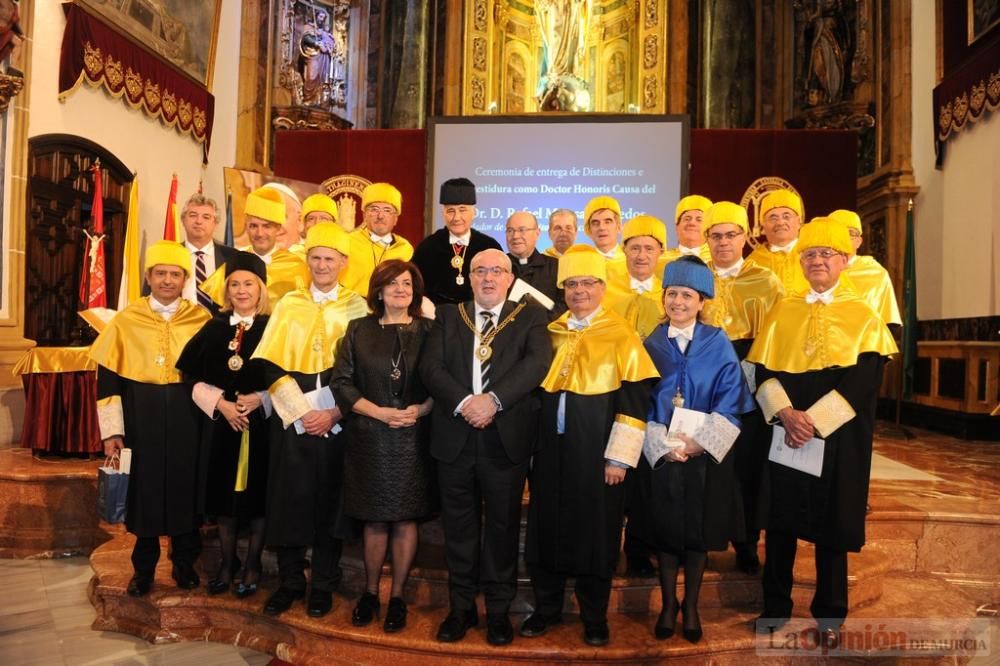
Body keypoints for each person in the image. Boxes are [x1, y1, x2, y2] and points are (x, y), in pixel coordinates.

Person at [746, 218, 897, 649]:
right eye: (809, 254)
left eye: (825, 254)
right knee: (779, 523)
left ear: (844, 261)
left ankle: (830, 615)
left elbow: (866, 379)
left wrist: (815, 423)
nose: (816, 261)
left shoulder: (863, 315)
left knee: (832, 526)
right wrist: (786, 415)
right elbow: (762, 371)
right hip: (787, 431)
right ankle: (774, 607)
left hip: (839, 435)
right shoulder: (783, 309)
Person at [522, 244, 658, 647]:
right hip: (550, 451)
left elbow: (635, 404)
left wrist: (619, 457)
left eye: (588, 283)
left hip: (598, 453)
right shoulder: (552, 330)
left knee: (596, 532)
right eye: (572, 283)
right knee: (546, 527)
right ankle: (546, 608)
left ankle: (594, 616)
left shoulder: (622, 333)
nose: (579, 290)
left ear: (603, 287)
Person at [420, 249, 551, 646]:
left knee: (502, 529)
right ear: (470, 278)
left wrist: (492, 400)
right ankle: (461, 609)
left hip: (504, 440)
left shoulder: (529, 316)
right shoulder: (447, 316)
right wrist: (466, 403)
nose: (488, 278)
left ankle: (498, 612)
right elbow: (431, 368)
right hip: (455, 438)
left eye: (497, 271)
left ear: (510, 278)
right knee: (458, 530)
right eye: (480, 271)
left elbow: (537, 364)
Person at [632, 256, 754, 643]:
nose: (678, 302)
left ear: (702, 301)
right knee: (666, 531)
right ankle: (669, 604)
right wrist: (663, 444)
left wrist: (700, 442)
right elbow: (640, 399)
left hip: (704, 455)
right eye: (672, 294)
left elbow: (732, 399)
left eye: (687, 295)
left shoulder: (718, 344)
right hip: (664, 455)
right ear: (663, 298)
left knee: (697, 533)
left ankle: (693, 605)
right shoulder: (650, 343)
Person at [251, 222, 369, 619]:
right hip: (292, 414)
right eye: (315, 258)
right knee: (289, 498)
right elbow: (268, 364)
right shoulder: (288, 304)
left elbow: (363, 370)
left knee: (330, 501)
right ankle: (289, 582)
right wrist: (300, 412)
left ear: (343, 263)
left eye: (329, 259)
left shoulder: (359, 307)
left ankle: (322, 583)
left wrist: (334, 412)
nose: (321, 265)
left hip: (337, 414)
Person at [89, 240, 211, 597]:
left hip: (189, 419)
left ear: (185, 279)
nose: (168, 280)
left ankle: (185, 564)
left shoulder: (200, 319)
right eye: (161, 273)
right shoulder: (127, 320)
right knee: (145, 492)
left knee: (185, 489)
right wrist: (112, 432)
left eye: (175, 274)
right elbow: (109, 379)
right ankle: (143, 570)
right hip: (141, 419)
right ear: (148, 276)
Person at [330, 260, 435, 634]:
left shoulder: (430, 330)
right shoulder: (358, 329)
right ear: (378, 290)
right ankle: (370, 593)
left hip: (413, 435)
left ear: (415, 291)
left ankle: (399, 598)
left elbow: (444, 381)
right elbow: (341, 382)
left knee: (405, 518)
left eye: (407, 283)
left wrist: (420, 409)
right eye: (392, 283)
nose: (400, 289)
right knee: (375, 518)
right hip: (370, 435)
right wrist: (379, 412)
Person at [176, 252, 272, 598]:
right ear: (227, 290)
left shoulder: (273, 326)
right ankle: (227, 563)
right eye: (235, 284)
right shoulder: (214, 327)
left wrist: (263, 398)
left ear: (261, 289)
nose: (242, 290)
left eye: (249, 284)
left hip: (262, 427)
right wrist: (222, 404)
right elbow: (189, 375)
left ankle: (253, 564)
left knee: (258, 499)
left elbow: (288, 377)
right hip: (223, 426)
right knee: (223, 500)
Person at [700, 201, 784, 574]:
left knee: (748, 466)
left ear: (745, 237)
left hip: (749, 379)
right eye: (715, 236)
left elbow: (775, 339)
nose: (723, 243)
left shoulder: (765, 280)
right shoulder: (696, 278)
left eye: (730, 235)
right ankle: (700, 538)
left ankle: (747, 542)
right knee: (705, 461)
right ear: (706, 239)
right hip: (703, 382)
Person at [201, 186, 310, 308]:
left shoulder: (297, 267)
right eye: (253, 226)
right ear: (246, 227)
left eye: (266, 226)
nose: (259, 233)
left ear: (278, 228)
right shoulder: (234, 262)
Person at [412, 178, 502, 305]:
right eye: (450, 211)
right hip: (436, 319)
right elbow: (415, 287)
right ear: (443, 213)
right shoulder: (428, 248)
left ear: (474, 212)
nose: (456, 217)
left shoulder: (489, 246)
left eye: (462, 210)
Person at [828, 209, 902, 327]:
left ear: (859, 241)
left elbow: (886, 324)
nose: (843, 239)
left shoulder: (875, 274)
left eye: (849, 234)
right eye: (837, 234)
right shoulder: (815, 271)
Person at [340, 182, 415, 297]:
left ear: (395, 219)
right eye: (374, 209)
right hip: (353, 308)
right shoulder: (347, 242)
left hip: (393, 308)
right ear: (364, 215)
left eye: (387, 210)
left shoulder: (405, 248)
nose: (380, 216)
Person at [603, 214, 667, 341]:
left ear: (661, 251)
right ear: (624, 250)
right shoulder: (605, 292)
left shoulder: (669, 294)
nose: (641, 256)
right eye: (635, 248)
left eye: (649, 249)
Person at [179, 193, 237, 313]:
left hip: (221, 328)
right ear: (183, 220)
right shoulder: (169, 255)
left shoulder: (233, 257)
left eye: (206, 217)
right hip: (178, 327)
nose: (199, 221)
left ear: (216, 224)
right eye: (193, 215)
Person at [746, 188, 809, 293]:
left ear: (799, 222)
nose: (780, 222)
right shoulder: (752, 264)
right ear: (763, 226)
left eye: (786, 216)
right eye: (773, 218)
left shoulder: (815, 254)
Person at [505, 211, 564, 318]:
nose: (515, 236)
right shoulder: (498, 267)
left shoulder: (556, 267)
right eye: (510, 231)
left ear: (537, 233)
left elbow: (564, 307)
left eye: (522, 230)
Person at [662, 195, 713, 264]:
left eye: (699, 220)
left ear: (708, 229)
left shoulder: (717, 259)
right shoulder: (660, 260)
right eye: (687, 219)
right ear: (677, 227)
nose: (692, 223)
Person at [288, 193, 339, 260]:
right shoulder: (290, 254)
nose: (317, 223)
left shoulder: (345, 255)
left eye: (324, 218)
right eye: (311, 219)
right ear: (304, 224)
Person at [583, 196, 626, 265]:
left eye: (607, 222)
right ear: (589, 230)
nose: (602, 227)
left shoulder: (631, 260)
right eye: (595, 223)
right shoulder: (582, 262)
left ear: (618, 227)